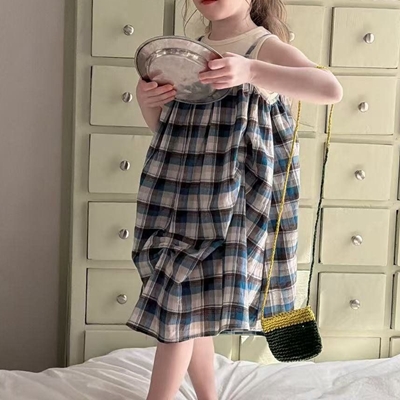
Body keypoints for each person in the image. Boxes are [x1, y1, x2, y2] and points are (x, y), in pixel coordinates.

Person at [126, 0, 343, 399]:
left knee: (178, 300)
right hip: (181, 197)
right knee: (190, 304)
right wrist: (148, 102)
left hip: (231, 207)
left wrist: (252, 71)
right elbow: (172, 133)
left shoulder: (261, 46)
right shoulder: (190, 52)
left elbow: (330, 89)